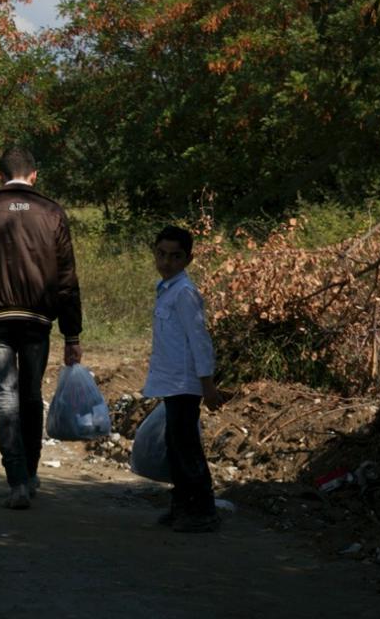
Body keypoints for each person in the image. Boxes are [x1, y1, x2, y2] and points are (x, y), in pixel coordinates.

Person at [0, 145, 83, 510]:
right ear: (34, 175)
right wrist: (72, 334)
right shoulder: (52, 212)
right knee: (29, 395)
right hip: (38, 320)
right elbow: (67, 279)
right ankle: (32, 472)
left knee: (5, 399)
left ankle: (17, 482)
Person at [146, 225, 222, 533]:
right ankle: (181, 506)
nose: (166, 262)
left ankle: (203, 510)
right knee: (175, 445)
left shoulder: (185, 293)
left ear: (187, 260)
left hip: (186, 383)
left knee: (187, 446)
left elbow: (199, 340)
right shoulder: (165, 290)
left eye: (175, 257)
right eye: (161, 254)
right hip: (170, 381)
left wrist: (207, 385)